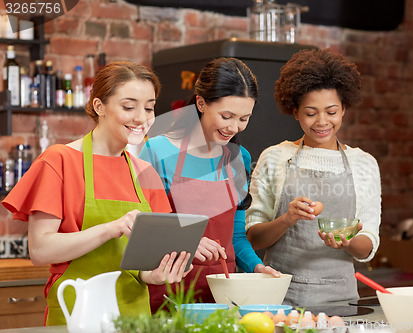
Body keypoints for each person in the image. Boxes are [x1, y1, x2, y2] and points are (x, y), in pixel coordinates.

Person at [1, 62, 192, 325]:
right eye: (128, 106)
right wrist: (110, 229)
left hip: (134, 318)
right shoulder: (59, 161)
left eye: (149, 107)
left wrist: (155, 274)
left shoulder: (145, 171)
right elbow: (41, 250)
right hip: (76, 314)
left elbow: (145, 263)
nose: (142, 117)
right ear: (99, 107)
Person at [139, 57, 279, 312]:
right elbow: (143, 230)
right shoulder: (156, 151)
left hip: (222, 299)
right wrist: (185, 240)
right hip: (168, 295)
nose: (234, 127)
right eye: (226, 116)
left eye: (244, 118)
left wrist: (257, 267)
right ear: (201, 103)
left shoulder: (239, 158)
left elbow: (235, 237)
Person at [245, 49, 381, 306]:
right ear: (295, 112)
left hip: (342, 300)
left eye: (331, 112)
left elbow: (368, 246)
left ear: (343, 109)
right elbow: (254, 236)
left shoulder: (364, 165)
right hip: (281, 297)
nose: (321, 122)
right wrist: (287, 218)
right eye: (310, 113)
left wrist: (347, 242)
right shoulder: (274, 158)